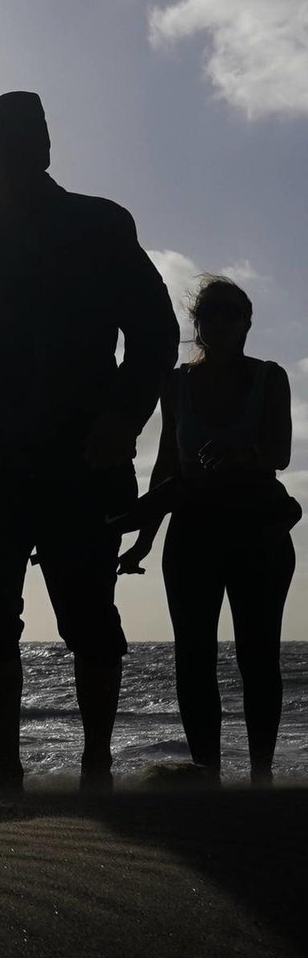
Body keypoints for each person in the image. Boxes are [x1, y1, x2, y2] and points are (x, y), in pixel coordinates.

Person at [0, 91, 179, 796]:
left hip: (81, 461)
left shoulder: (97, 227)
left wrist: (124, 415)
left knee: (90, 615)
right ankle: (6, 774)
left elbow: (155, 335)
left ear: (18, 158)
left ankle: (97, 769)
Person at [117, 276, 297, 786]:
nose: (218, 322)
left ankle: (261, 775)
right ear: (197, 324)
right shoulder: (175, 384)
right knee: (193, 656)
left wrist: (239, 454)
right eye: (209, 314)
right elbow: (166, 466)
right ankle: (207, 774)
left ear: (246, 321)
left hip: (257, 531)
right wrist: (145, 537)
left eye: (229, 312)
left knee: (258, 654)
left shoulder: (270, 377)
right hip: (191, 531)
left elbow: (280, 453)